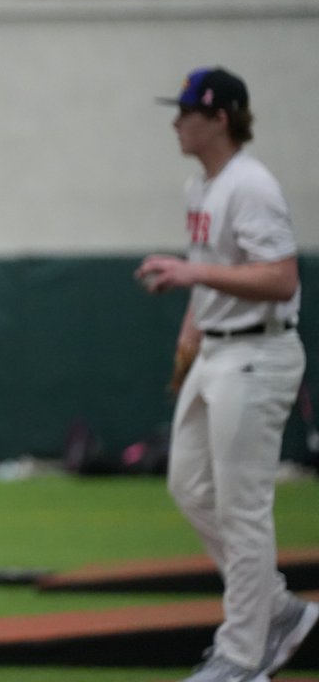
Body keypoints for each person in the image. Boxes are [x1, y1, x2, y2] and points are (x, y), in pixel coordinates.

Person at [136, 66, 316, 682]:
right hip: (219, 350)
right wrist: (193, 323)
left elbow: (281, 277)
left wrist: (193, 277)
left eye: (187, 111)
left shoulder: (251, 185)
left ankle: (243, 657)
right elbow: (217, 266)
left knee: (243, 509)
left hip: (258, 354)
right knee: (189, 487)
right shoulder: (203, 185)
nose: (176, 121)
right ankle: (278, 609)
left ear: (220, 118)